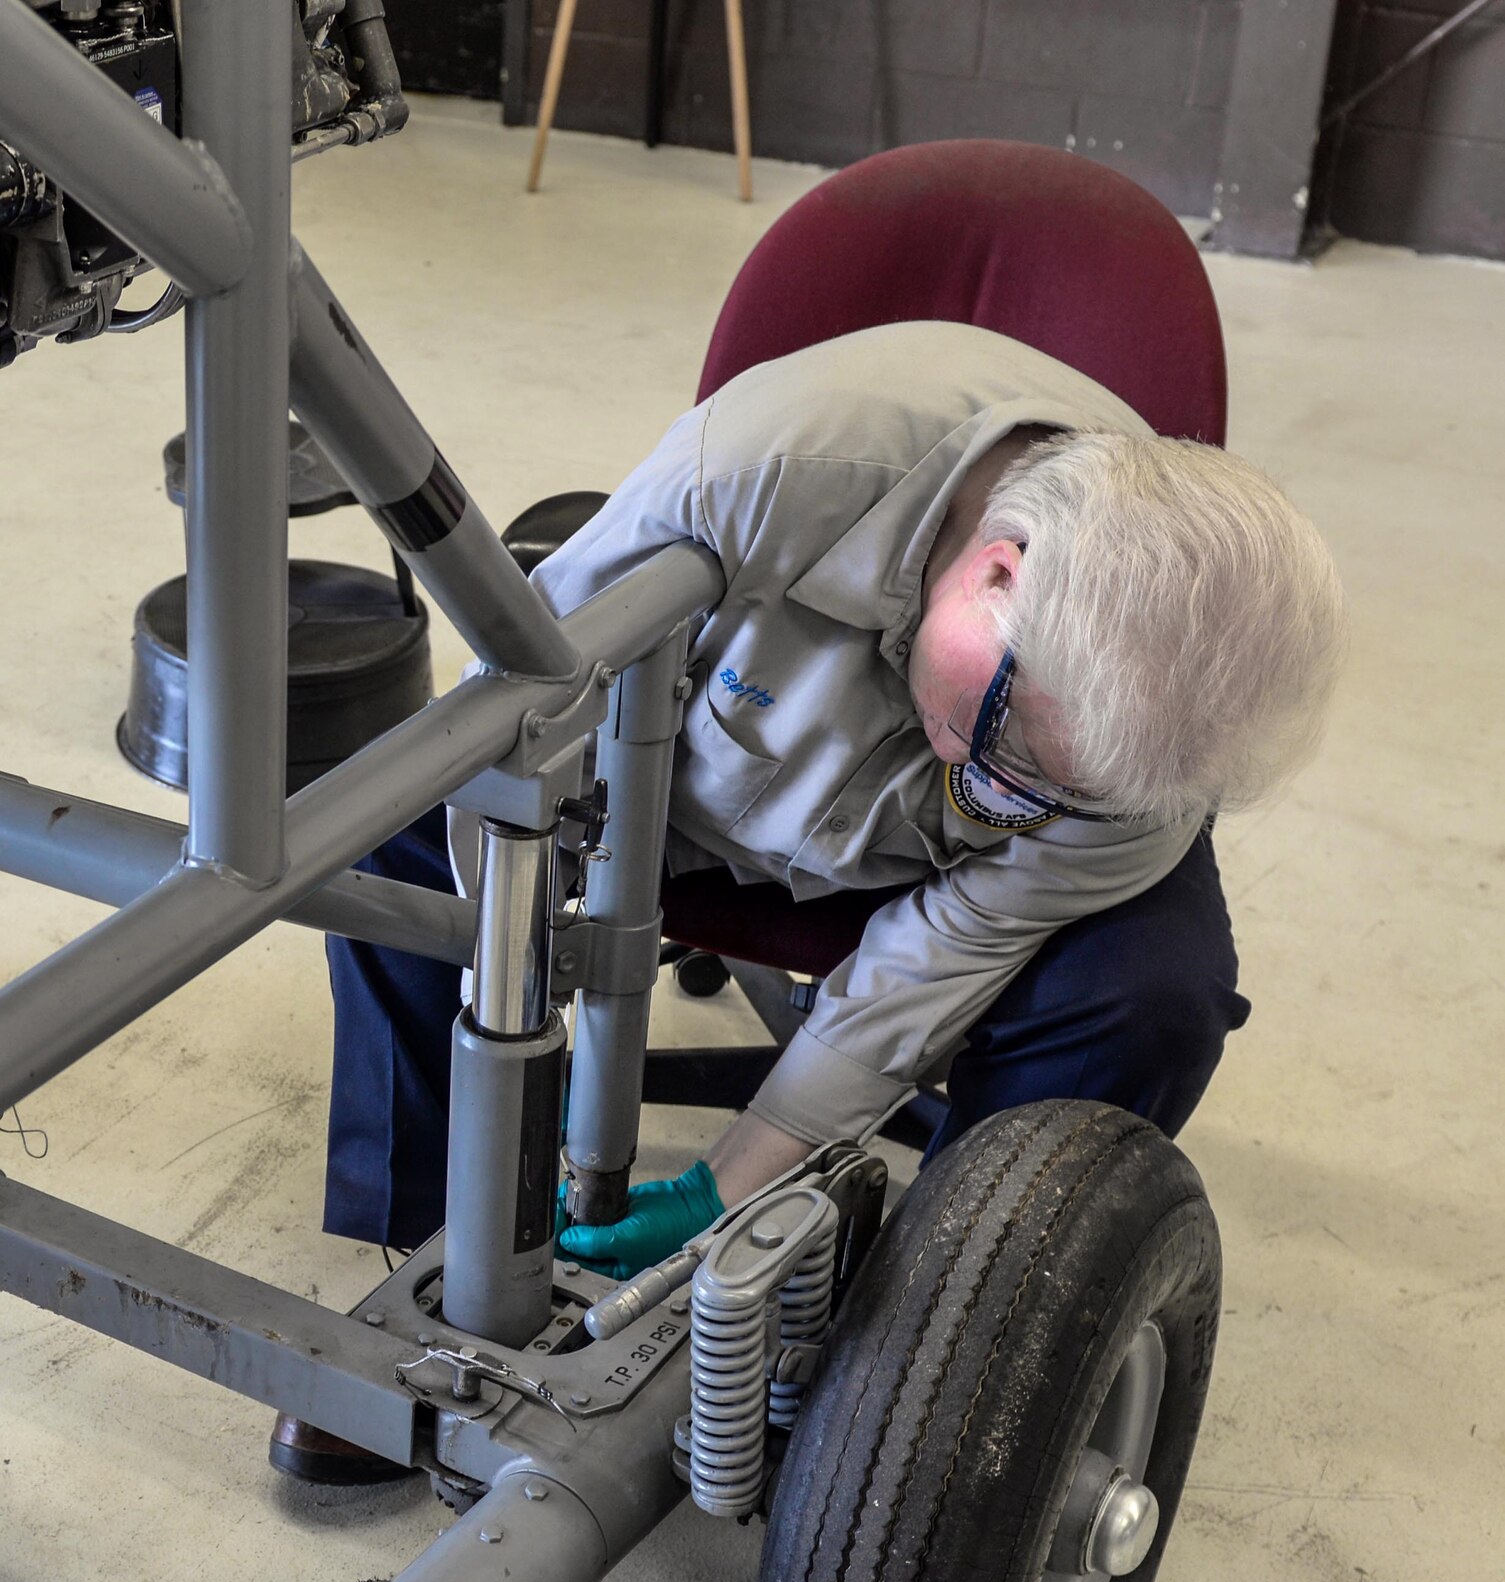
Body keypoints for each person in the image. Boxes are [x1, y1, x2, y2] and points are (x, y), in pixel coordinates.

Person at [284, 320, 1344, 1480]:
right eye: (1003, 746)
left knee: (1152, 994)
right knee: (393, 808)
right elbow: (528, 734)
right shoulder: (761, 475)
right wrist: (521, 1054)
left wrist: (730, 1182)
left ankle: (929, 1356)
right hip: (676, 785)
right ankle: (435, 1280)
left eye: (1048, 792)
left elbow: (949, 947)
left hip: (931, 873)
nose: (997, 790)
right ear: (997, 571)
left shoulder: (1140, 758)